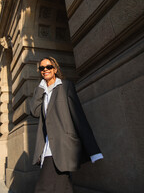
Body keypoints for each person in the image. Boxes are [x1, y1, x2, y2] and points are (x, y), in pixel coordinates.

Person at [30, 56, 103, 193]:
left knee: (43, 188)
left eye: (49, 67)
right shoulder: (41, 92)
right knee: (63, 187)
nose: (45, 70)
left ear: (55, 69)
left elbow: (79, 117)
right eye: (42, 68)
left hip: (63, 145)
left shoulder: (65, 86)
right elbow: (33, 111)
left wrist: (93, 150)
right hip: (47, 146)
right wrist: (41, 87)